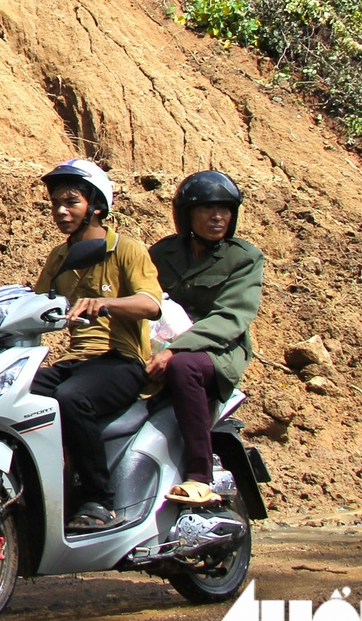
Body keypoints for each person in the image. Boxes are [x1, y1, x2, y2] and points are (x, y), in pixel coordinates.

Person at [30, 159, 164, 534]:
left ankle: (98, 501)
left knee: (73, 399)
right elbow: (38, 302)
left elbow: (151, 305)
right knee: (14, 395)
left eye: (71, 202)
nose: (60, 210)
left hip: (120, 361)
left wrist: (106, 303)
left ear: (97, 206)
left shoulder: (127, 250)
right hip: (75, 361)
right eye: (55, 202)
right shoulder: (60, 257)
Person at [146, 171, 264, 506]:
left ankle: (199, 476)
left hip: (217, 352)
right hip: (159, 345)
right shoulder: (163, 253)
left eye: (225, 209)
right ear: (186, 215)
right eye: (207, 209)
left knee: (184, 368)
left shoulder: (243, 258)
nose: (217, 217)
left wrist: (174, 350)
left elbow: (231, 318)